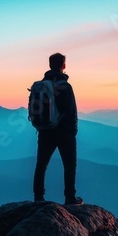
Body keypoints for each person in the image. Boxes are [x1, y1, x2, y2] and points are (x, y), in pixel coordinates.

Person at [32, 53, 82, 205]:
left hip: (45, 130)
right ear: (63, 65)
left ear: (49, 65)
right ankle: (70, 197)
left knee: (41, 163)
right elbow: (71, 110)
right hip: (64, 132)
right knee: (69, 164)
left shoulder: (41, 85)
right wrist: (73, 131)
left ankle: (38, 197)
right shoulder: (65, 86)